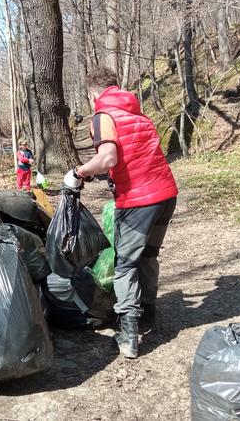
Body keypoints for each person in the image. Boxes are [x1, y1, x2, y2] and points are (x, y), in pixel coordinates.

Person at [63, 67, 178, 359]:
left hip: (138, 200)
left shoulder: (104, 116)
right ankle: (149, 314)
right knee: (148, 255)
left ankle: (128, 334)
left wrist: (78, 172)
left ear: (93, 93)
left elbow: (108, 157)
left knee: (125, 263)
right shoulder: (138, 114)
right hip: (166, 195)